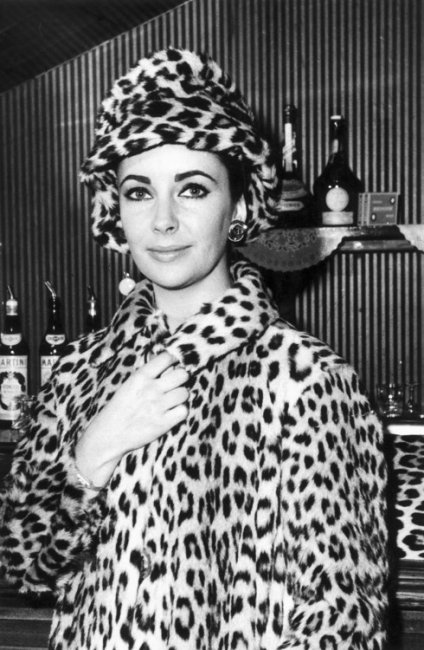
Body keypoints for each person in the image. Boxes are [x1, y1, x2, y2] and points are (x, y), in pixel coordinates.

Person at [0, 47, 387, 649]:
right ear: (114, 210)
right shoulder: (76, 371)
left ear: (238, 205)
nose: (162, 221)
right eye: (138, 192)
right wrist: (93, 452)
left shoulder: (306, 379)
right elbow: (25, 568)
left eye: (193, 189)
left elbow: (343, 624)